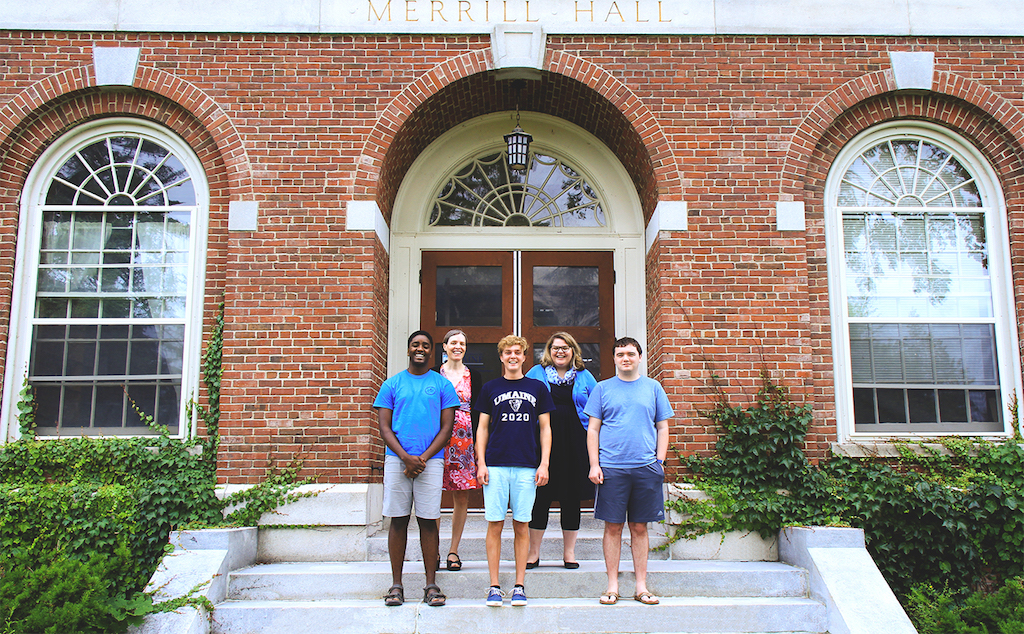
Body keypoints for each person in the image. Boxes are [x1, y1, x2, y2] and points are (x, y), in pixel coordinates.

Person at [584, 337, 672, 606]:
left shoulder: (653, 388)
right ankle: (612, 586)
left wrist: (660, 461)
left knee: (639, 527)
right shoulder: (602, 389)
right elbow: (594, 429)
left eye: (631, 354)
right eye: (620, 354)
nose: (626, 358)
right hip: (611, 468)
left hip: (646, 468)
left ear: (640, 357)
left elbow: (663, 427)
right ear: (613, 359)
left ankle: (641, 586)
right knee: (613, 527)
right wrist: (594, 464)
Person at [374, 330, 459, 608]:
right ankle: (396, 585)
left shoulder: (443, 385)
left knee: (428, 519)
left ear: (432, 352)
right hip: (397, 460)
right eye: (415, 345)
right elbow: (384, 427)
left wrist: (421, 458)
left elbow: (447, 429)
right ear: (408, 349)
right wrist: (405, 457)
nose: (420, 349)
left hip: (430, 461)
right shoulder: (392, 384)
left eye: (425, 345)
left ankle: (431, 585)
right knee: (398, 520)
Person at [475, 335, 554, 607]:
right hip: (495, 464)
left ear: (524, 357)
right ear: (501, 356)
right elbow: (482, 428)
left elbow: (545, 428)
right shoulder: (490, 388)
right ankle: (494, 586)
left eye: (517, 352)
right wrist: (481, 462)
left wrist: (544, 463)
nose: (512, 356)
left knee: (522, 525)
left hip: (526, 466)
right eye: (507, 352)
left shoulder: (537, 388)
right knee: (494, 524)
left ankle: (520, 585)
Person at [524, 331, 597, 569]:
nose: (560, 351)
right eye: (555, 348)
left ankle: (569, 554)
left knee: (571, 497)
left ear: (573, 351)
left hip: (576, 442)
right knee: (540, 498)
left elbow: (598, 409)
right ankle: (533, 553)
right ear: (549, 351)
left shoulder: (585, 377)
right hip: (543, 441)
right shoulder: (536, 373)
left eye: (565, 347)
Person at [433, 329, 482, 572]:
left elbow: (481, 415)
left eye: (462, 343)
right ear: (444, 346)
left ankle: (453, 550)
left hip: (464, 444)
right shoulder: (433, 375)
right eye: (453, 342)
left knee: (461, 496)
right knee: (432, 495)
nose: (458, 346)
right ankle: (433, 550)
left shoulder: (475, 375)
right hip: (436, 441)